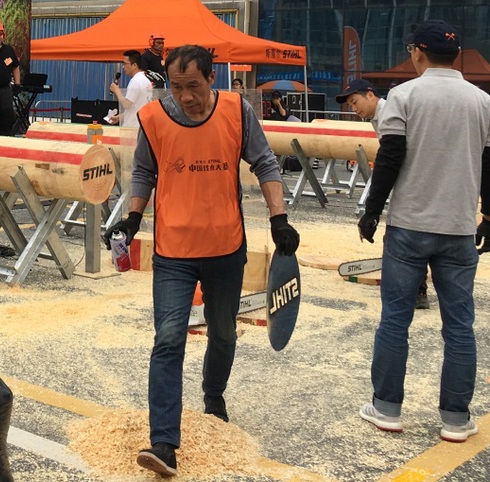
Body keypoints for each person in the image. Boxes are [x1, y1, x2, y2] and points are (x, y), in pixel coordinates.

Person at [105, 45, 299, 478]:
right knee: (168, 337)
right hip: (173, 251)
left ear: (212, 78)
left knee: (223, 331)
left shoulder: (237, 111)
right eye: (176, 87)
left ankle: (213, 396)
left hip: (225, 247)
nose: (186, 96)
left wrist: (279, 218)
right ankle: (164, 443)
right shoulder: (154, 118)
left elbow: (266, 163)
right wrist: (133, 218)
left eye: (193, 85)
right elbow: (144, 172)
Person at [355, 19, 490, 444]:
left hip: (409, 225)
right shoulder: (483, 102)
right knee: (459, 327)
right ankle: (455, 418)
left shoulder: (404, 96)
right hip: (458, 228)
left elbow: (390, 159)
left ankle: (387, 409)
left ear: (418, 51)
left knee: (394, 320)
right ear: (455, 55)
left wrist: (371, 212)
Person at [337, 79, 431, 310]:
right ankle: (414, 288)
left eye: (355, 102)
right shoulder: (377, 116)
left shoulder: (389, 111)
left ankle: (415, 290)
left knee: (406, 236)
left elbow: (389, 158)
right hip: (413, 176)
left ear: (370, 95)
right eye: (350, 105)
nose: (354, 108)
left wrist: (373, 209)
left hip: (417, 177)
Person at [109, 50, 153, 128]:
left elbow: (127, 104)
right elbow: (138, 107)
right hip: (141, 126)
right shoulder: (146, 81)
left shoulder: (135, 81)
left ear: (134, 65)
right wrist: (120, 117)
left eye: (125, 64)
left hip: (132, 127)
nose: (123, 67)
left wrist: (117, 90)